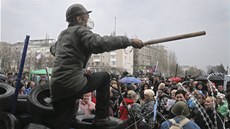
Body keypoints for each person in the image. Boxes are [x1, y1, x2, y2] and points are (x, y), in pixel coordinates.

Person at [50, 3, 144, 129]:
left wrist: (81, 71)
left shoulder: (63, 35)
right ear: (78, 18)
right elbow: (98, 43)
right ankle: (101, 118)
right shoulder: (80, 31)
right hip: (72, 84)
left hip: (57, 87)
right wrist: (129, 41)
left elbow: (55, 50)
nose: (88, 19)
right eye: (86, 16)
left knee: (62, 124)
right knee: (104, 77)